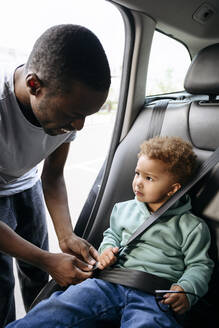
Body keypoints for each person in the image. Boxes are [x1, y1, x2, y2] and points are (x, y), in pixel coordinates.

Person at [6, 136, 214, 328]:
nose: (138, 182)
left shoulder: (191, 227)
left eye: (149, 178)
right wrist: (105, 253)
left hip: (155, 295)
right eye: (137, 173)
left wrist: (187, 290)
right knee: (54, 310)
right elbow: (112, 236)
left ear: (173, 189)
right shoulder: (123, 210)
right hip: (108, 283)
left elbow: (200, 265)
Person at [0, 24, 110, 327]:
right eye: (73, 115)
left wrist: (65, 235)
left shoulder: (67, 112)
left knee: (38, 276)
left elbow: (54, 176)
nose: (78, 127)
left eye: (86, 116)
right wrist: (46, 259)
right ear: (35, 85)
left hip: (27, 185)